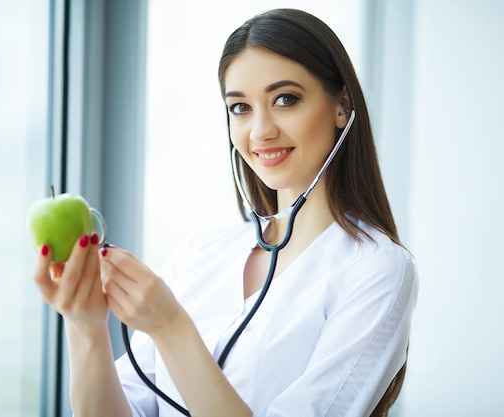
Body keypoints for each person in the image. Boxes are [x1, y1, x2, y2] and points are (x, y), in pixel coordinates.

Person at [32, 8, 418, 417]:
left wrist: (172, 329)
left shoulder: (376, 270)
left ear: (342, 105)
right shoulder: (199, 255)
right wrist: (86, 326)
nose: (260, 130)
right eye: (240, 108)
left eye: (285, 99)